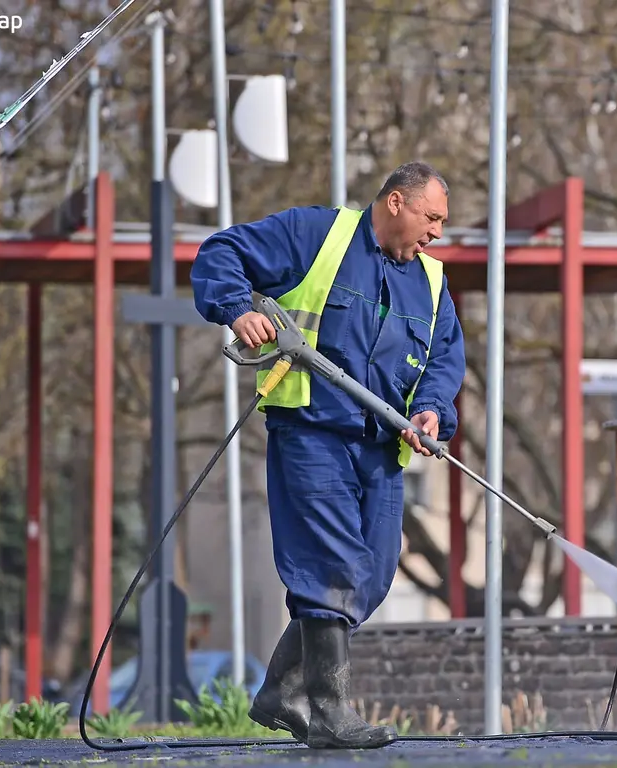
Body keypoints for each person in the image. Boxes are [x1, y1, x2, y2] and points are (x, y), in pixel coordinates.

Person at [189, 161, 466, 749]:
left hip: (381, 447)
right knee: (332, 565)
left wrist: (433, 410)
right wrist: (239, 308)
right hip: (312, 432)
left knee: (373, 575)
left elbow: (443, 358)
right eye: (432, 217)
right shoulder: (318, 235)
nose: (438, 232)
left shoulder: (433, 283)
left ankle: (279, 691)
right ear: (395, 203)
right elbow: (219, 254)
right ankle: (331, 714)